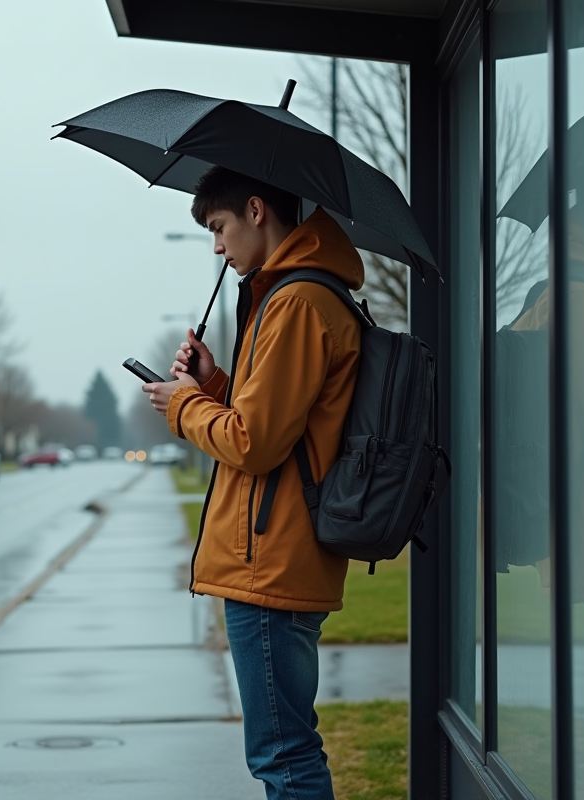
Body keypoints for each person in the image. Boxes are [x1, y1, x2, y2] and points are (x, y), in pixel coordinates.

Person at [143, 165, 365, 800]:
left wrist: (183, 405)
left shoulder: (296, 302)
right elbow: (275, 425)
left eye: (218, 227)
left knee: (284, 758)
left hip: (268, 560)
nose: (216, 246)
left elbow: (255, 443)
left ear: (257, 210)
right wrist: (213, 386)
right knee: (285, 749)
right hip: (276, 552)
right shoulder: (301, 295)